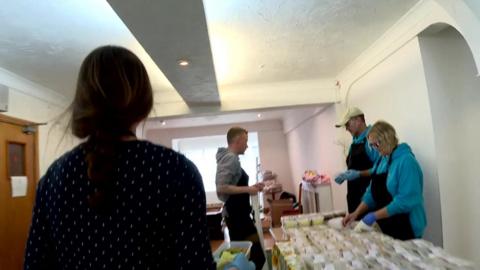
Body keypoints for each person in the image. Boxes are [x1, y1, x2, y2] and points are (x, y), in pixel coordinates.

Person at [24, 46, 216, 269]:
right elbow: (196, 264)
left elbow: (35, 264)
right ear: (144, 104)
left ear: (83, 103)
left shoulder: (53, 180)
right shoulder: (175, 171)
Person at [342, 120, 427, 240]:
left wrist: (374, 215)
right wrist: (356, 213)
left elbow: (405, 201)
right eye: (371, 146)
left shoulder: (406, 162)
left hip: (407, 227)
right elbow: (371, 192)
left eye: (375, 144)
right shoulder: (382, 160)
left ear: (386, 139)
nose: (374, 149)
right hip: (387, 225)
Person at [216, 127, 265, 270]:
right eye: (246, 141)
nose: (247, 145)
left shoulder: (231, 158)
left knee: (247, 256)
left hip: (239, 217)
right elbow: (221, 187)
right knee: (255, 256)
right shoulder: (230, 158)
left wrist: (251, 187)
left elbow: (233, 186)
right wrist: (248, 189)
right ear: (237, 141)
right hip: (238, 219)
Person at [335, 107, 380, 217]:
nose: (346, 129)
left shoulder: (372, 139)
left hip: (369, 202)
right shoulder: (355, 141)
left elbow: (381, 170)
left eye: (347, 124)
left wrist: (358, 174)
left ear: (359, 120)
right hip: (354, 202)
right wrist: (346, 175)